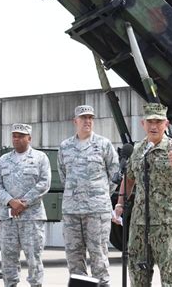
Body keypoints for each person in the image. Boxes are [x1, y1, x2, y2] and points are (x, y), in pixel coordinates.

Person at [113, 102, 172, 287]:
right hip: (139, 223)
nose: (154, 126)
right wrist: (119, 204)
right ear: (143, 124)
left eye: (158, 122)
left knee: (171, 275)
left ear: (165, 124)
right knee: (137, 274)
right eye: (150, 121)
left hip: (165, 223)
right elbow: (128, 180)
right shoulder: (136, 150)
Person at [57, 105, 119, 285]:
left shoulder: (103, 144)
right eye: (83, 118)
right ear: (75, 121)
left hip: (97, 211)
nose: (88, 121)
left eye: (91, 117)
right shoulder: (65, 147)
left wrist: (99, 195)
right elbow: (64, 176)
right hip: (72, 211)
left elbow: (115, 175)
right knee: (74, 256)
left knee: (98, 254)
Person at [0, 123, 51, 287]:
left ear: (29, 138)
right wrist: (11, 201)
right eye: (14, 136)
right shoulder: (4, 160)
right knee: (8, 259)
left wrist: (23, 203)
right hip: (8, 219)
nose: (16, 139)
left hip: (31, 218)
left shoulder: (40, 158)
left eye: (20, 136)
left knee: (34, 258)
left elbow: (44, 184)